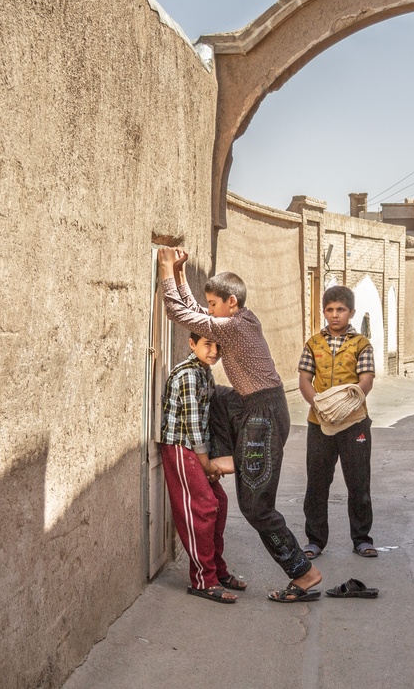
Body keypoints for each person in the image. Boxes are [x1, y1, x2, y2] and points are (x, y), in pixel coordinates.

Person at [157, 246, 323, 603]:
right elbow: (197, 313)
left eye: (214, 304)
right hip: (253, 406)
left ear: (231, 303)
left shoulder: (232, 327)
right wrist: (183, 274)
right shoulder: (238, 318)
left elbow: (179, 312)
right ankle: (230, 459)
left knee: (256, 507)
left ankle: (303, 572)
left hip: (263, 416)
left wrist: (167, 268)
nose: (209, 309)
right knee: (214, 395)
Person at [158, 332, 246, 604]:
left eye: (218, 346)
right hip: (181, 447)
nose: (214, 351)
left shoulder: (204, 372)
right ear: (192, 344)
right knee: (204, 507)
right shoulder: (188, 374)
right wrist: (206, 463)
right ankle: (203, 580)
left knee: (220, 502)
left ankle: (217, 570)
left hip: (197, 449)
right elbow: (194, 424)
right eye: (207, 344)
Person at [298, 285, 376, 561]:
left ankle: (362, 539)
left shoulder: (361, 344)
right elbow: (304, 380)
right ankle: (315, 540)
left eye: (341, 310)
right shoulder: (313, 344)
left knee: (358, 482)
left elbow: (366, 381)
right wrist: (319, 405)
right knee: (317, 483)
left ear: (351, 312)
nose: (335, 315)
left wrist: (344, 406)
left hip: (354, 422)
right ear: (324, 312)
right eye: (330, 310)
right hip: (319, 423)